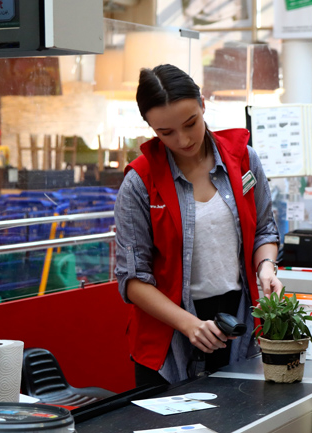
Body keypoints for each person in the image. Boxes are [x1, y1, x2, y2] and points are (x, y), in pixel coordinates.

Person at [114, 64, 281, 386]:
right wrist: (189, 324)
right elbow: (133, 279)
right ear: (150, 127)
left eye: (191, 123)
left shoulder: (244, 160)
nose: (184, 139)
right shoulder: (140, 182)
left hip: (238, 320)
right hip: (169, 333)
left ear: (203, 104)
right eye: (166, 133)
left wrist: (266, 268)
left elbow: (264, 230)